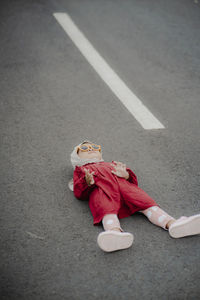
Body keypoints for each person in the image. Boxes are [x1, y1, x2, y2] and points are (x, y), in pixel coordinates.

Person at [70, 140, 200, 252]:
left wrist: (125, 174)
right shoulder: (82, 170)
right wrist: (87, 182)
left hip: (125, 188)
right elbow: (79, 192)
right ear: (77, 156)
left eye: (95, 147)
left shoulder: (110, 163)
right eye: (85, 148)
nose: (91, 149)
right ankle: (114, 233)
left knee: (146, 203)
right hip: (103, 191)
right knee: (105, 207)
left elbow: (131, 179)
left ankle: (172, 224)